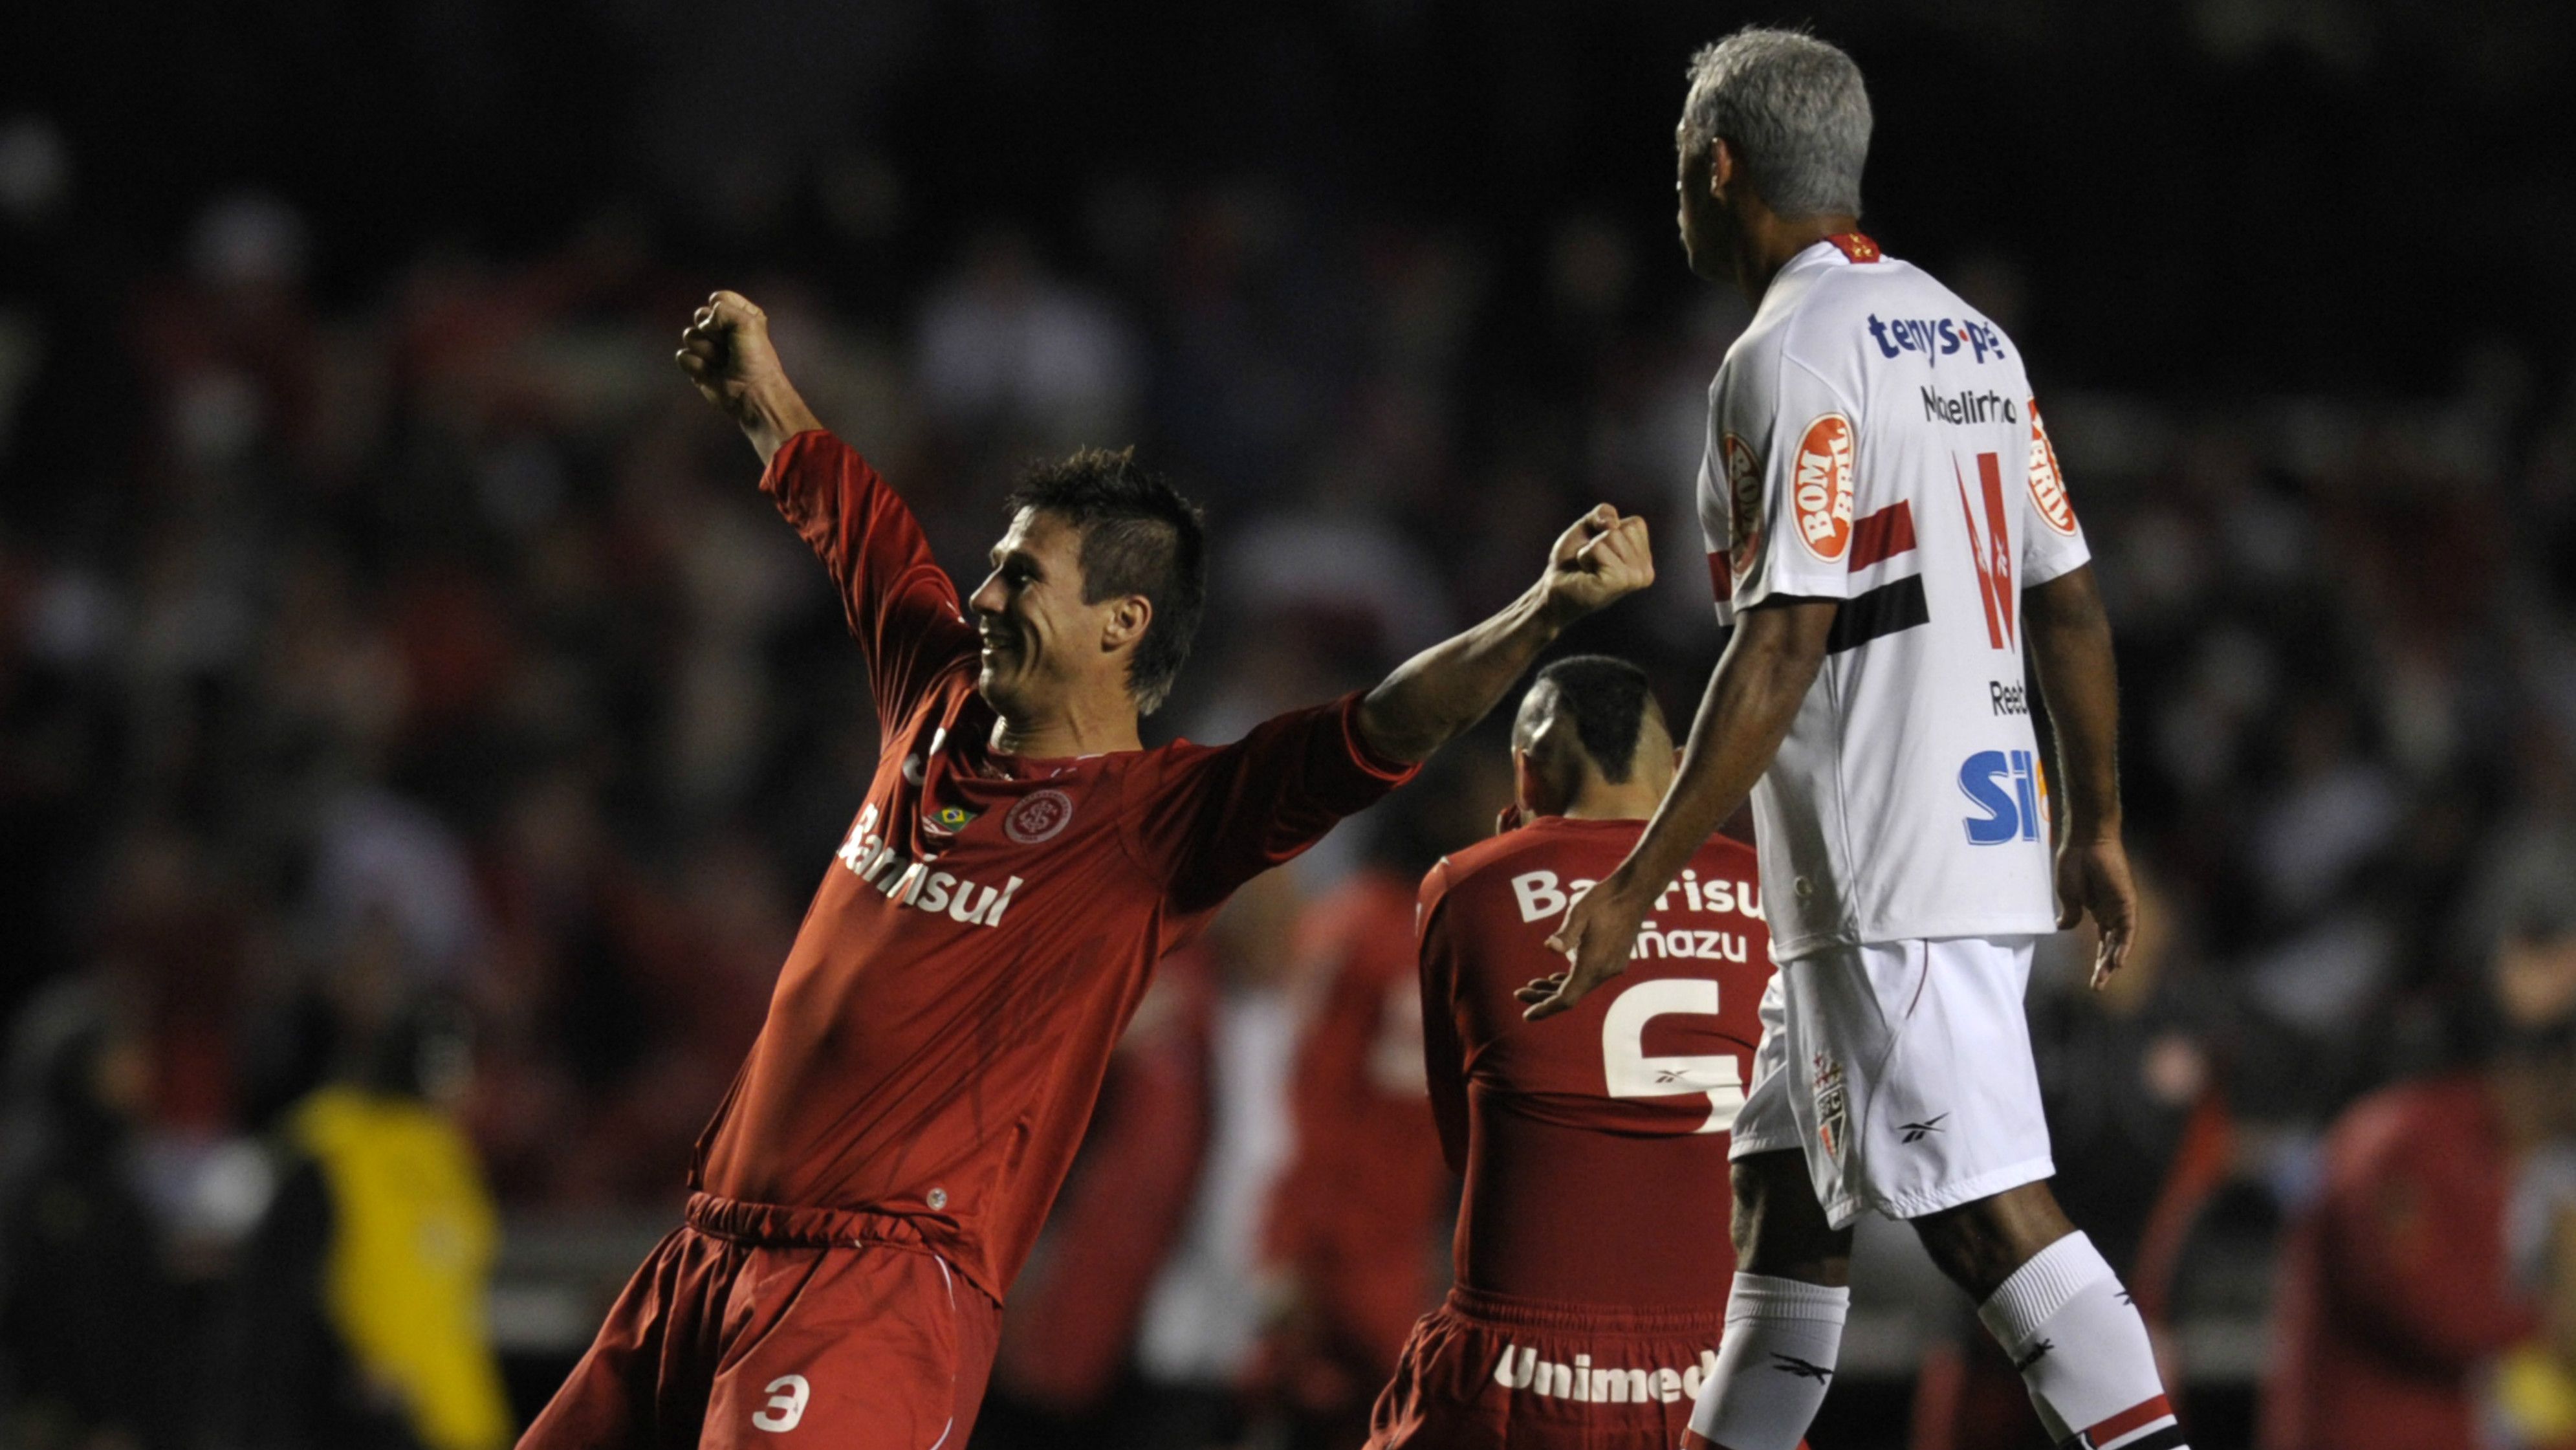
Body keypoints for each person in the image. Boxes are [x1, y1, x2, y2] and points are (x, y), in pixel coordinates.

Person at [518, 291, 1655, 1450]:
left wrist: (1539, 610)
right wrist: (757, 387)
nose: (983, 596)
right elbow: (858, 528)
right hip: (702, 1257)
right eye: (996, 568)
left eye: (1020, 577)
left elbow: (1381, 726)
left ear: (1122, 623)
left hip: (872, 1290)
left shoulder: (1162, 822)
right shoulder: (938, 706)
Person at [1522, 29, 2185, 1450]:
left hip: (1882, 868)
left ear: (1719, 170)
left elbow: (1778, 643)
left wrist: (1632, 883)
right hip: (1955, 842)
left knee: (1985, 1216)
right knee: (1782, 1214)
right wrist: (2095, 823)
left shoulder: (1782, 359)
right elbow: (2067, 602)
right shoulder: (1969, 339)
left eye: (1680, 183)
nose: (1679, 211)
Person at [1366, 655, 1774, 1449]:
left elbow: (1462, 1148)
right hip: (1720, 1367)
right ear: (1683, 768)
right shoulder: (1768, 890)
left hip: (1518, 1368)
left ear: (1524, 774)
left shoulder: (1465, 886)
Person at [2260, 890, 2576, 1450]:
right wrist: (2544, 1318)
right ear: (2541, 1073)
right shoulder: (2404, 1138)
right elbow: (2420, 1303)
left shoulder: (2496, 1152)